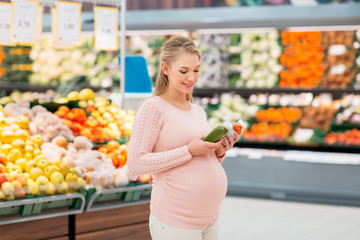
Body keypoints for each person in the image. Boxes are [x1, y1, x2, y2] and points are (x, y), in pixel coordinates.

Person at [127, 36, 240, 240]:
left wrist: (219, 152)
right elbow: (135, 163)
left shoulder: (197, 111)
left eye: (196, 70)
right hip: (175, 222)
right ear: (165, 68)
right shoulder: (153, 108)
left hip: (209, 219)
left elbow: (202, 161)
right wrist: (188, 150)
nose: (191, 77)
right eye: (184, 71)